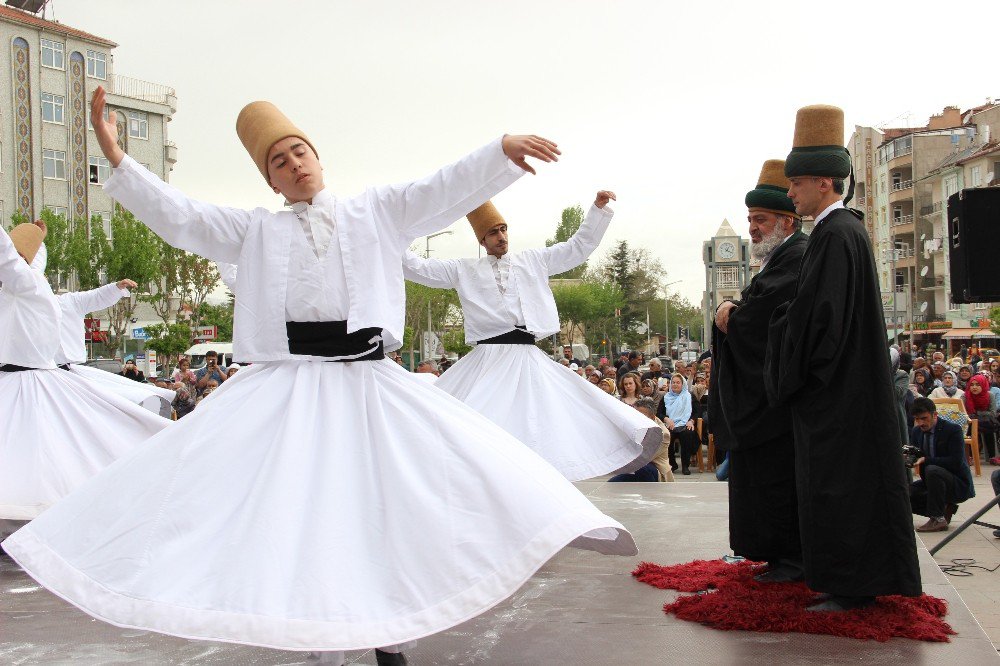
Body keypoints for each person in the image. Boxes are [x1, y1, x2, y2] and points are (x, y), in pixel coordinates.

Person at [4, 90, 640, 666]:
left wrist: (498, 151)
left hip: (366, 383)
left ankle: (392, 633)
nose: (294, 164)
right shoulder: (255, 230)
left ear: (319, 157)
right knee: (304, 516)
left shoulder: (375, 212)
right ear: (272, 181)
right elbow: (182, 216)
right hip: (291, 387)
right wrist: (117, 157)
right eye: (279, 161)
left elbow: (439, 188)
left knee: (385, 502)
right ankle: (321, 639)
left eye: (300, 151)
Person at [764, 104, 921, 611]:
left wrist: (779, 328)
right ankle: (852, 582)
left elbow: (817, 320)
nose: (790, 193)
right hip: (849, 389)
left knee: (842, 488)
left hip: (838, 395)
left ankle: (854, 587)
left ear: (825, 184)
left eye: (797, 184)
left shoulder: (834, 234)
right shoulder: (845, 232)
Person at [403, 192, 659, 481]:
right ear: (481, 241)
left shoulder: (534, 260)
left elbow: (578, 247)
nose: (501, 237)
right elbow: (416, 268)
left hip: (526, 358)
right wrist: (392, 236)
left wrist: (597, 211)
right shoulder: (463, 269)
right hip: (486, 362)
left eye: (503, 230)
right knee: (470, 427)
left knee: (538, 428)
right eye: (493, 233)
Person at [0, 221, 168, 528]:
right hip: (18, 378)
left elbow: (13, 262)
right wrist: (38, 240)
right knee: (26, 447)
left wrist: (114, 289)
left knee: (47, 445)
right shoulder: (14, 290)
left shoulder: (31, 285)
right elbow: (18, 262)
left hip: (42, 377)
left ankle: (42, 513)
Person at [710, 158, 808, 583]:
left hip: (774, 407)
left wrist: (731, 312)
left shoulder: (798, 256)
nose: (753, 228)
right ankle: (773, 555)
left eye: (760, 219)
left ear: (787, 221)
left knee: (777, 482)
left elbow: (763, 318)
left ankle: (790, 560)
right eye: (750, 219)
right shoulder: (776, 259)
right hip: (761, 400)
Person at [48, 269, 175, 417]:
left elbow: (95, 296)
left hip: (69, 371)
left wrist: (115, 288)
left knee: (116, 404)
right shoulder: (20, 307)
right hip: (38, 374)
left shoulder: (67, 301)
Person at [908, 397, 975, 532]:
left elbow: (955, 462)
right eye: (917, 419)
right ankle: (944, 509)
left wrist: (926, 460)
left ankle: (938, 517)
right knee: (904, 493)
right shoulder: (916, 432)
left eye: (924, 418)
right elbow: (917, 455)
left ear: (935, 415)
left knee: (933, 470)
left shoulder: (952, 430)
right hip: (932, 482)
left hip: (957, 482)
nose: (920, 423)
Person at [608, 398, 674, 482]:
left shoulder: (663, 434)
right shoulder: (635, 425)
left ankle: (650, 493)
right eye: (636, 415)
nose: (638, 418)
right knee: (611, 484)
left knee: (643, 468)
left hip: (654, 470)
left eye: (641, 416)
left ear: (652, 417)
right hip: (634, 468)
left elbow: (643, 458)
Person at [660, 373, 698, 475]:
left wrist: (691, 421)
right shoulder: (666, 397)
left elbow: (697, 412)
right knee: (666, 435)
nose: (675, 385)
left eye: (678, 382)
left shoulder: (689, 396)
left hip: (686, 424)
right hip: (670, 424)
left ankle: (685, 465)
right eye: (673, 382)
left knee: (687, 434)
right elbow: (659, 413)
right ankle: (672, 464)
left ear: (683, 384)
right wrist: (666, 419)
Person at [966, 374, 998, 463]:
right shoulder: (966, 396)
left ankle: (992, 456)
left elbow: (992, 413)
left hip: (987, 422)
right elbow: (964, 413)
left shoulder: (989, 395)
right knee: (971, 426)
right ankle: (970, 457)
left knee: (988, 428)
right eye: (972, 385)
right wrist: (976, 416)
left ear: (983, 385)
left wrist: (976, 413)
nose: (974, 387)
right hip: (971, 422)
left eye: (978, 384)